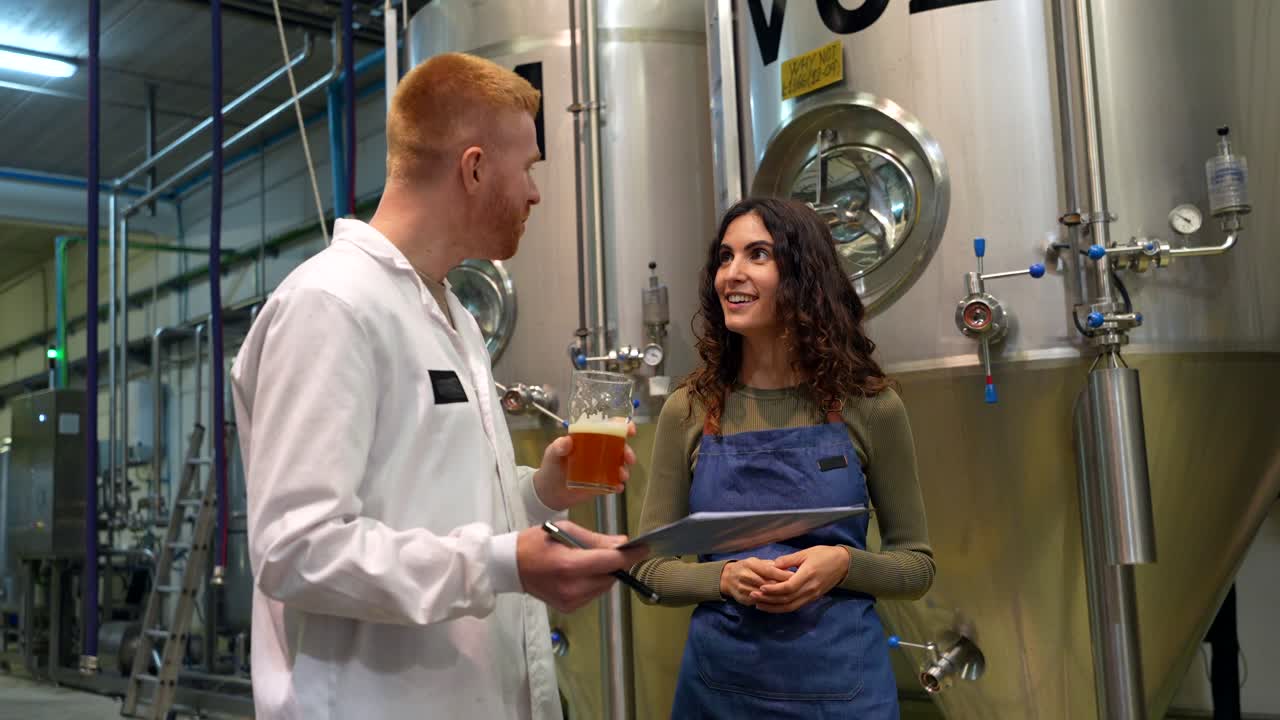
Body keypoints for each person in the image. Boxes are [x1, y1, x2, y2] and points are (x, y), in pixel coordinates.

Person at [230, 52, 645, 720]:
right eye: (530, 167)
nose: (537, 194)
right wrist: (503, 565)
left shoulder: (452, 314)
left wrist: (540, 492)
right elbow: (296, 549)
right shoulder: (331, 305)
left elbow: (428, 503)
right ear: (474, 167)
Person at [633, 197, 935, 717]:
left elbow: (916, 567)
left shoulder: (871, 406)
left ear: (802, 275)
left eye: (757, 255)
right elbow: (646, 568)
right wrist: (721, 579)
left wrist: (842, 565)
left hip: (844, 693)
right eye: (724, 258)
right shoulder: (690, 409)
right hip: (719, 693)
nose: (732, 273)